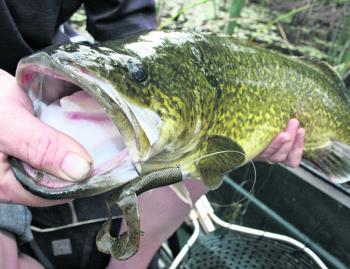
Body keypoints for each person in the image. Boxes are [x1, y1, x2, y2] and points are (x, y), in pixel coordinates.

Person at [0, 1, 305, 268]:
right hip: (40, 81)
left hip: (58, 73)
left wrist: (139, 64)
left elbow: (125, 18)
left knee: (186, 163)